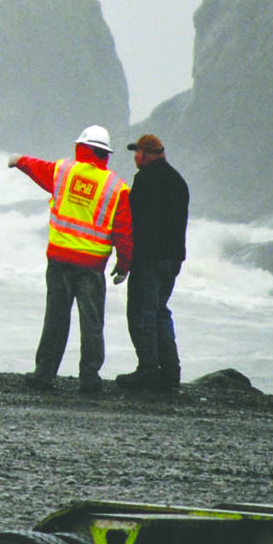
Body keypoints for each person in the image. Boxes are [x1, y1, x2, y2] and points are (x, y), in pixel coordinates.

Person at [9, 123, 132, 396]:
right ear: (105, 153)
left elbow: (38, 168)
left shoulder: (64, 171)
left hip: (59, 262)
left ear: (82, 147)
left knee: (55, 319)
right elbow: (124, 231)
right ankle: (89, 379)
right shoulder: (117, 187)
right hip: (91, 267)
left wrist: (18, 161)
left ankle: (44, 375)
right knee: (91, 323)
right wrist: (124, 265)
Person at [114, 132, 188, 392]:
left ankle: (147, 369)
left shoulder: (145, 179)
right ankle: (170, 372)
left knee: (141, 312)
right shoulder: (178, 181)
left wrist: (127, 259)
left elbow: (138, 223)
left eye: (137, 152)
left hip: (149, 259)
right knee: (160, 311)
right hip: (173, 258)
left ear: (146, 154)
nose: (135, 156)